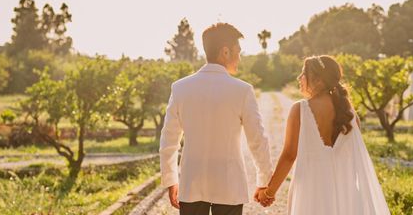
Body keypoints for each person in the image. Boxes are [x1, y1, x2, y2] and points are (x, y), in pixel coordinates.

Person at [160, 23, 273, 215]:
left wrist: (171, 180)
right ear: (226, 52)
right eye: (238, 51)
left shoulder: (180, 88)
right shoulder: (243, 91)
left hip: (191, 183)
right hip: (230, 185)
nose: (239, 57)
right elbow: (258, 140)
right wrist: (264, 182)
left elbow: (169, 141)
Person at [256, 55, 391, 214]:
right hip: (346, 194)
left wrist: (269, 192)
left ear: (319, 81)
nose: (300, 77)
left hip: (311, 194)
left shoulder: (300, 110)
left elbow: (289, 155)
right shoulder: (351, 116)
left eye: (303, 73)